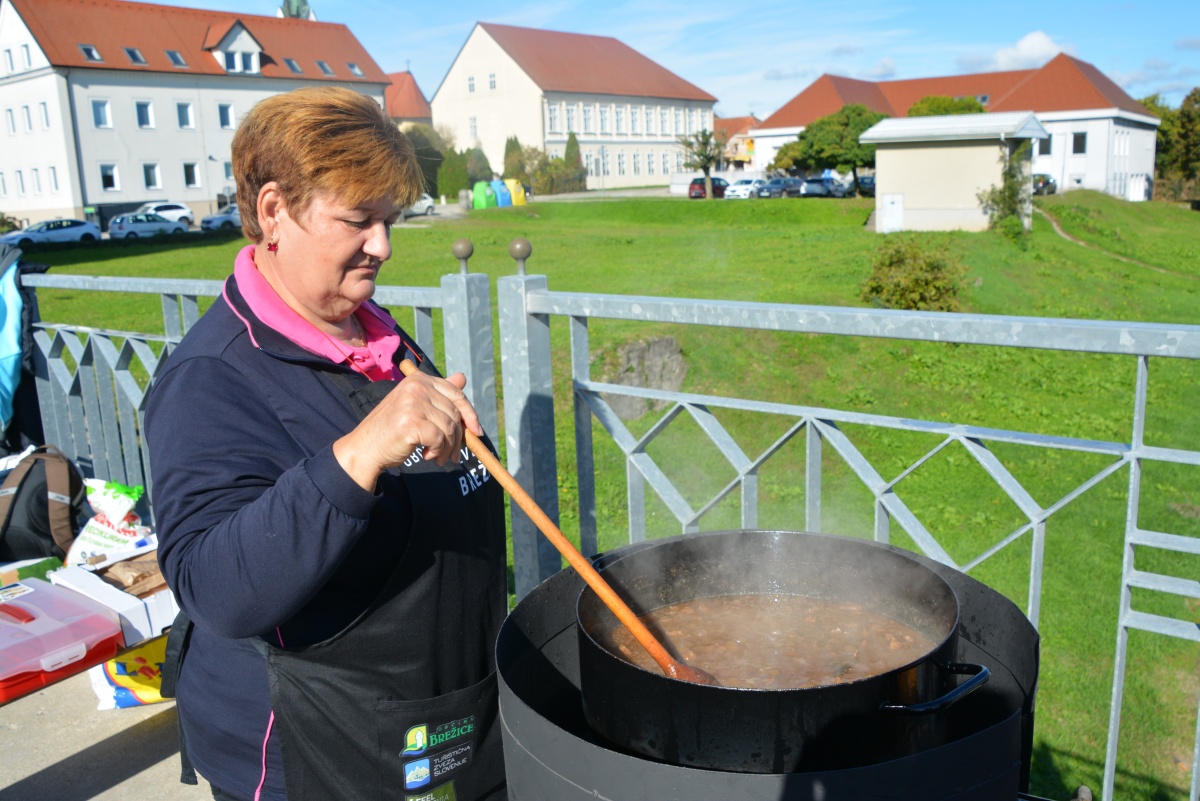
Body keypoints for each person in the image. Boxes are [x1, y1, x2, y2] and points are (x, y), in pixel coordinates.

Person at [145, 86, 508, 801]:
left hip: (430, 719)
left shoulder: (374, 331)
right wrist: (357, 455)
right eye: (359, 220)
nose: (384, 245)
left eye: (390, 219)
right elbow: (212, 586)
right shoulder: (210, 377)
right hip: (312, 747)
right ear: (275, 211)